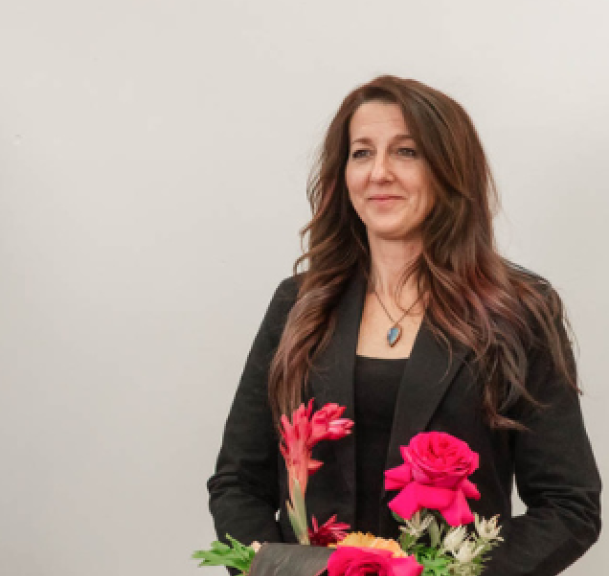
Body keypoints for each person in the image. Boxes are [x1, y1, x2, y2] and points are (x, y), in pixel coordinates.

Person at [207, 76, 600, 575]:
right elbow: (238, 482)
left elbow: (569, 505)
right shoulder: (298, 305)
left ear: (449, 169)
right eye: (362, 153)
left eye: (406, 152)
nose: (379, 173)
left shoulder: (517, 310)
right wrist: (287, 570)